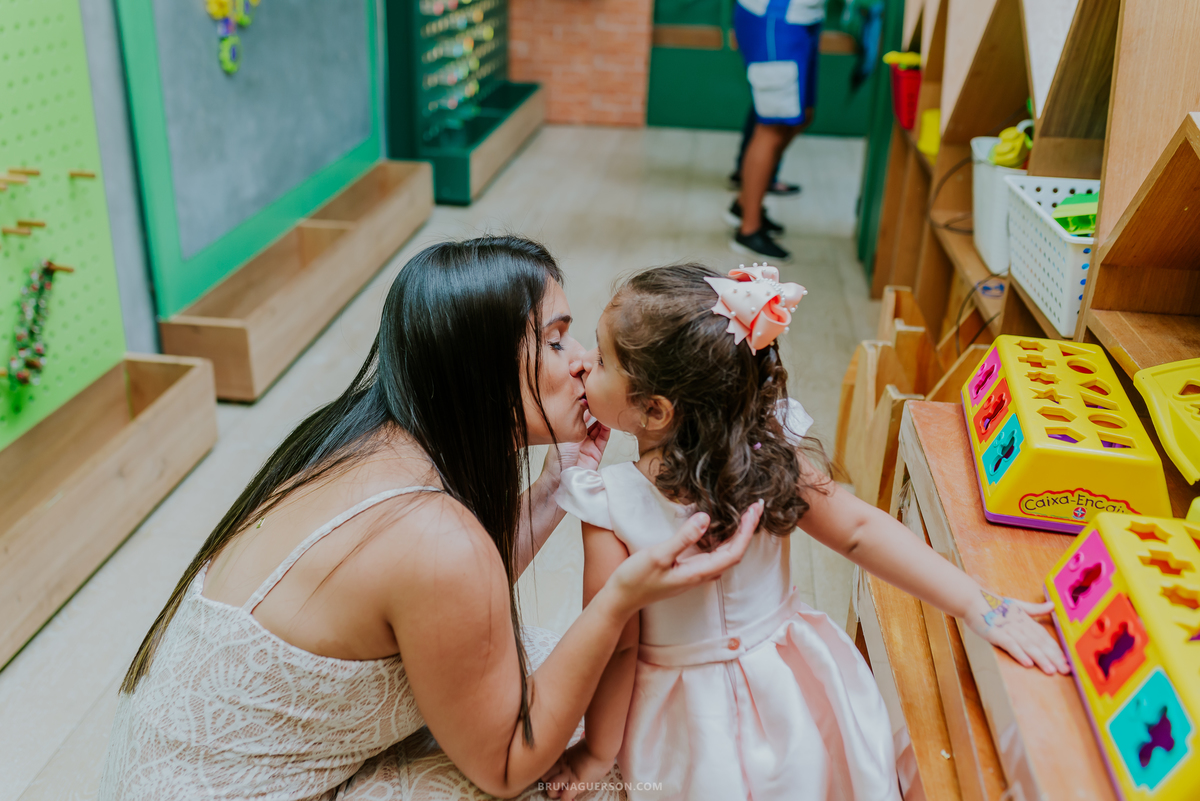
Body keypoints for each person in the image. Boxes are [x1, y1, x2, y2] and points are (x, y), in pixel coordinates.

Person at [98, 237, 763, 801]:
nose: (584, 361)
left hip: (166, 769)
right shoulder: (434, 535)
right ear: (481, 369)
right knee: (613, 760)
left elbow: (452, 607)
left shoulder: (366, 439)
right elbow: (507, 763)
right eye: (558, 341)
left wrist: (555, 484)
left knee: (583, 684)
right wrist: (618, 600)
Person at [542, 263, 1072, 801]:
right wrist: (976, 604)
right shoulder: (766, 453)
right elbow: (859, 529)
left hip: (687, 723)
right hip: (793, 690)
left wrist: (597, 753)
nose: (582, 363)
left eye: (602, 360)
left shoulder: (609, 503)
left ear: (654, 410)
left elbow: (617, 648)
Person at [730, 0, 825, 260]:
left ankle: (744, 202)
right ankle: (748, 230)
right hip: (775, 19)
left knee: (804, 115)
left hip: (805, 17)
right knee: (773, 125)